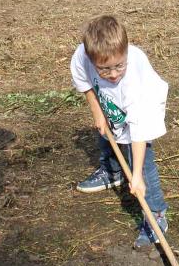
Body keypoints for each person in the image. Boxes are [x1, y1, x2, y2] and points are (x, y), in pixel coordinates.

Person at [71, 15, 169, 249]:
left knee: (143, 164)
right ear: (91, 58)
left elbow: (137, 131)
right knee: (107, 131)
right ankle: (112, 171)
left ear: (126, 52)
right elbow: (85, 83)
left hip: (142, 113)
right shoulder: (81, 57)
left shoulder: (136, 82)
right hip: (113, 102)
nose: (113, 74)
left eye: (118, 66)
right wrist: (97, 112)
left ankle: (156, 213)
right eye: (104, 69)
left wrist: (135, 176)